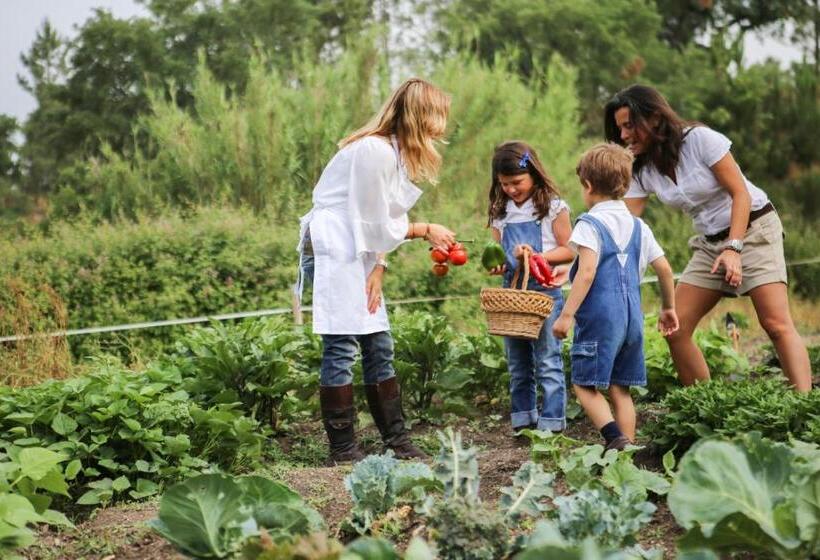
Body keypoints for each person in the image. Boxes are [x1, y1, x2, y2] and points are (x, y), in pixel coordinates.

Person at [605, 84, 811, 392]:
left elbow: (739, 193)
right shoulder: (641, 169)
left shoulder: (700, 140)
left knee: (775, 324)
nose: (623, 135)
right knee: (675, 329)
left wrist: (734, 248)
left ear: (655, 118)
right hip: (709, 243)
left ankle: (803, 407)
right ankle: (706, 408)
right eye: (620, 128)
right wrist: (588, 253)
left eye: (629, 125)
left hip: (753, 230)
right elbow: (624, 221)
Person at [296, 78, 457, 464]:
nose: (443, 125)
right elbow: (374, 220)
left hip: (360, 248)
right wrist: (424, 230)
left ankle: (396, 440)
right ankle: (343, 448)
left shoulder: (395, 153)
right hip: (335, 245)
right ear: (422, 115)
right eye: (439, 116)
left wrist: (379, 266)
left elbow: (383, 217)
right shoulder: (374, 151)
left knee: (378, 343)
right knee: (341, 343)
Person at [552, 143, 679, 450]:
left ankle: (614, 438)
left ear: (588, 185)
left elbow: (587, 271)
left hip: (600, 318)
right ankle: (628, 452)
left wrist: (566, 315)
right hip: (632, 318)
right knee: (620, 389)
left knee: (583, 385)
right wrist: (668, 307)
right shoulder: (638, 225)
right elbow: (664, 268)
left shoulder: (589, 223)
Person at [487, 141, 575, 435]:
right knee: (517, 362)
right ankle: (523, 420)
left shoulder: (552, 207)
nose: (511, 189)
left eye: (517, 182)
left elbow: (569, 250)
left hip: (544, 290)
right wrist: (497, 264)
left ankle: (551, 424)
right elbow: (496, 253)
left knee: (548, 359)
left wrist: (537, 256)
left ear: (533, 174)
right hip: (513, 293)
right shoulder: (501, 211)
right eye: (504, 184)